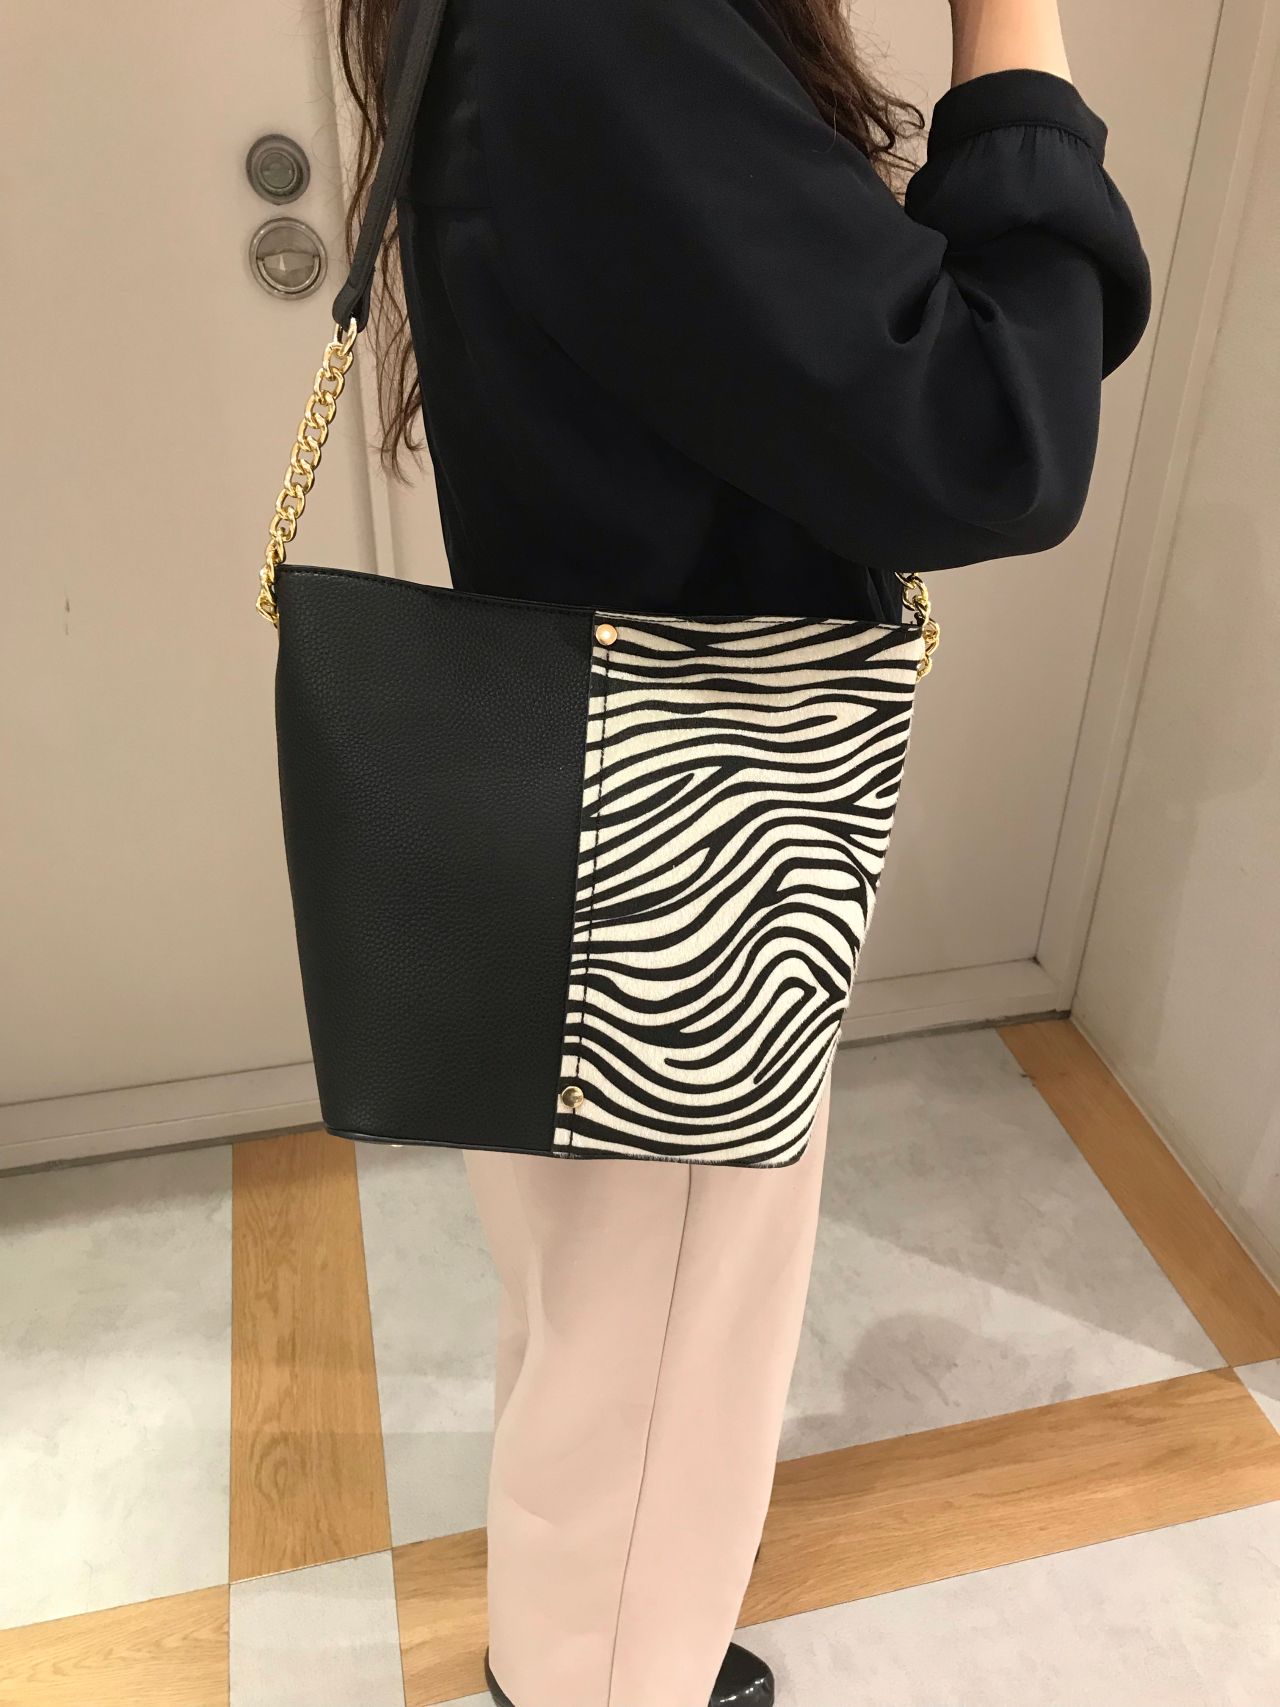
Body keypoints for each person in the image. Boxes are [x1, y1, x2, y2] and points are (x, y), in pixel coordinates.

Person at [335, 0, 1151, 1702]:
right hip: (689, 841)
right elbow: (992, 430)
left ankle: (580, 1660)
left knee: (599, 1333)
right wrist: (1012, 21)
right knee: (659, 1370)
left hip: (562, 777)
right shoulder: (610, 26)